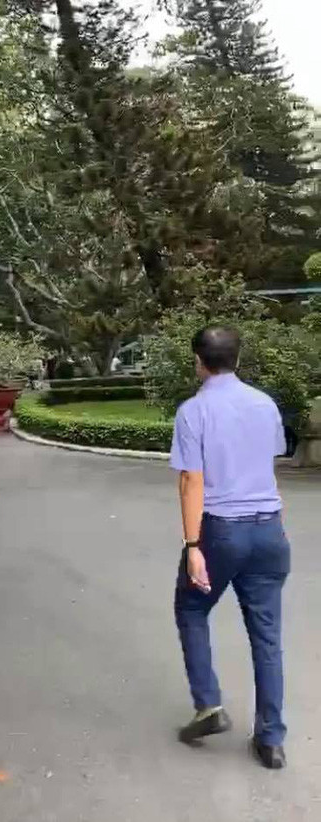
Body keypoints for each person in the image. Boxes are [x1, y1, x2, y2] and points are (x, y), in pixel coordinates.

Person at [170, 327, 291, 770]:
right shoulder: (265, 404)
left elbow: (192, 480)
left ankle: (208, 705)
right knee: (267, 636)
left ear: (198, 362)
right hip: (269, 531)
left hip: (222, 531)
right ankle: (271, 740)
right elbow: (265, 465)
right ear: (237, 359)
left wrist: (193, 545)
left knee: (191, 607)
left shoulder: (194, 411)